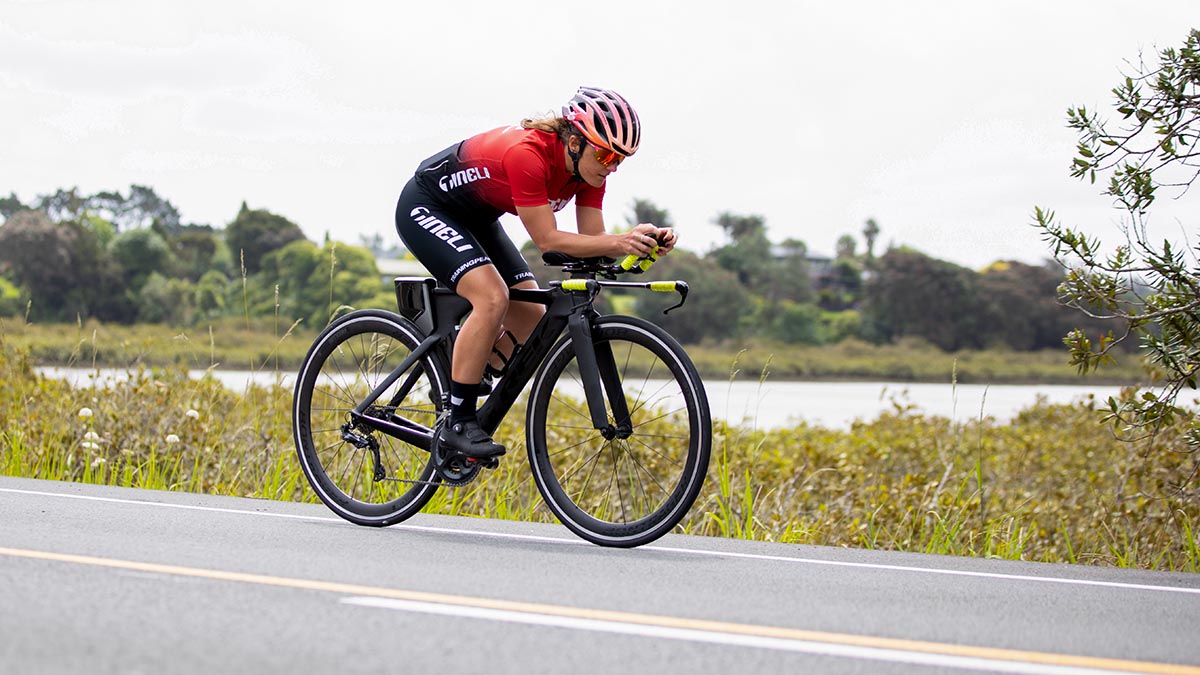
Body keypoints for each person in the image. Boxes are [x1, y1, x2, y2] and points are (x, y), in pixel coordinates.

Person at [394, 86, 676, 459]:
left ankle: (464, 370)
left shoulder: (590, 172)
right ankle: (459, 421)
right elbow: (548, 240)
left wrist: (639, 243)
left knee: (531, 319)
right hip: (426, 206)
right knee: (492, 298)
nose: (612, 166)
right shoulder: (528, 155)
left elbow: (594, 240)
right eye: (607, 154)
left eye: (620, 159)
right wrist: (620, 242)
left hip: (477, 218)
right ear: (575, 142)